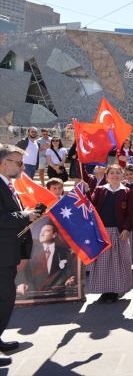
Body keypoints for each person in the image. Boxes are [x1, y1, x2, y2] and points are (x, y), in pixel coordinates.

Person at [0, 145, 41, 366]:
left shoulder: (7, 185)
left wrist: (28, 216)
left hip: (8, 253)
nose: (22, 167)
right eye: (18, 163)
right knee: (4, 299)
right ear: (4, 162)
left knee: (4, 299)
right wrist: (26, 215)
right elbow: (2, 218)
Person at [88, 164, 133, 304]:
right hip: (102, 233)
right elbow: (91, 207)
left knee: (117, 263)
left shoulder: (127, 192)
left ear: (122, 175)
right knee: (103, 263)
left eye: (118, 173)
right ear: (107, 176)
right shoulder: (100, 190)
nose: (115, 176)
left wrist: (126, 229)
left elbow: (130, 213)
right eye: (112, 173)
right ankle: (104, 291)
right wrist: (85, 192)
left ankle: (115, 291)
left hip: (119, 232)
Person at [15, 223, 75, 293]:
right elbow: (22, 270)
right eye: (41, 231)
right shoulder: (30, 251)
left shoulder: (65, 253)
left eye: (46, 231)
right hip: (33, 293)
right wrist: (22, 283)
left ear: (54, 235)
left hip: (58, 293)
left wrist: (70, 279)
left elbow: (69, 272)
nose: (41, 234)